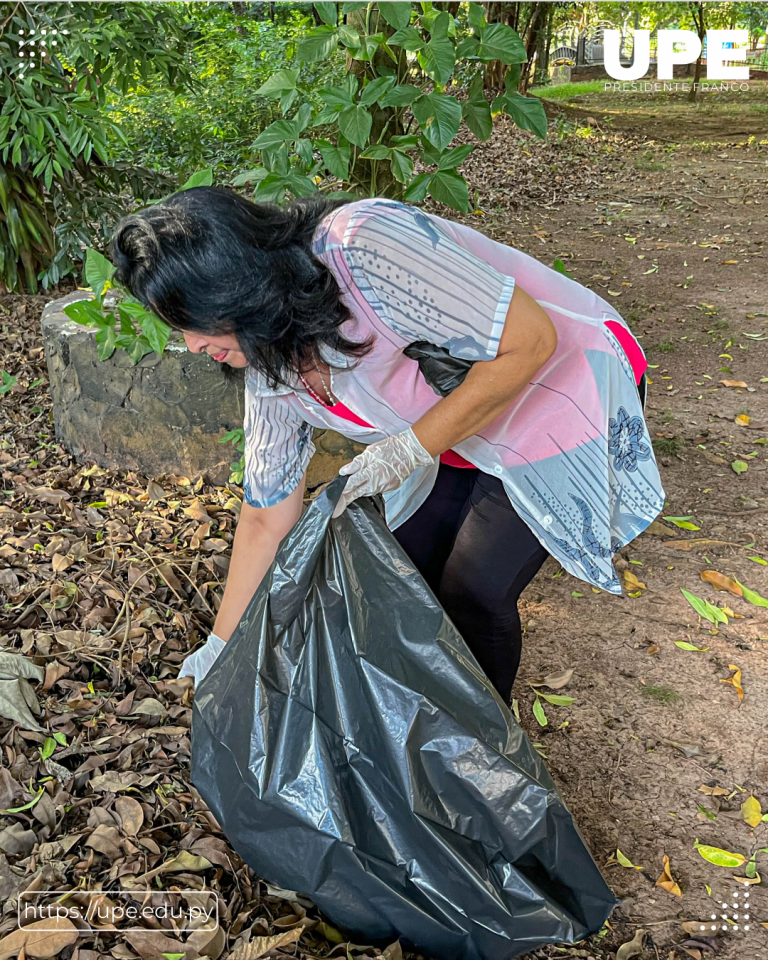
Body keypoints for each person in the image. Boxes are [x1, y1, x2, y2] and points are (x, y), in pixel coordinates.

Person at [112, 187, 664, 703]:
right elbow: (265, 516)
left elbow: (531, 342)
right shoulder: (272, 366)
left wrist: (405, 451)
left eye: (194, 320)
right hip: (462, 422)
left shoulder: (363, 245)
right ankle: (425, 731)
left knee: (474, 587)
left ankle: (486, 759)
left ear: (235, 286)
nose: (190, 344)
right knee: (407, 570)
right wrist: (221, 647)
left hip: (560, 387)